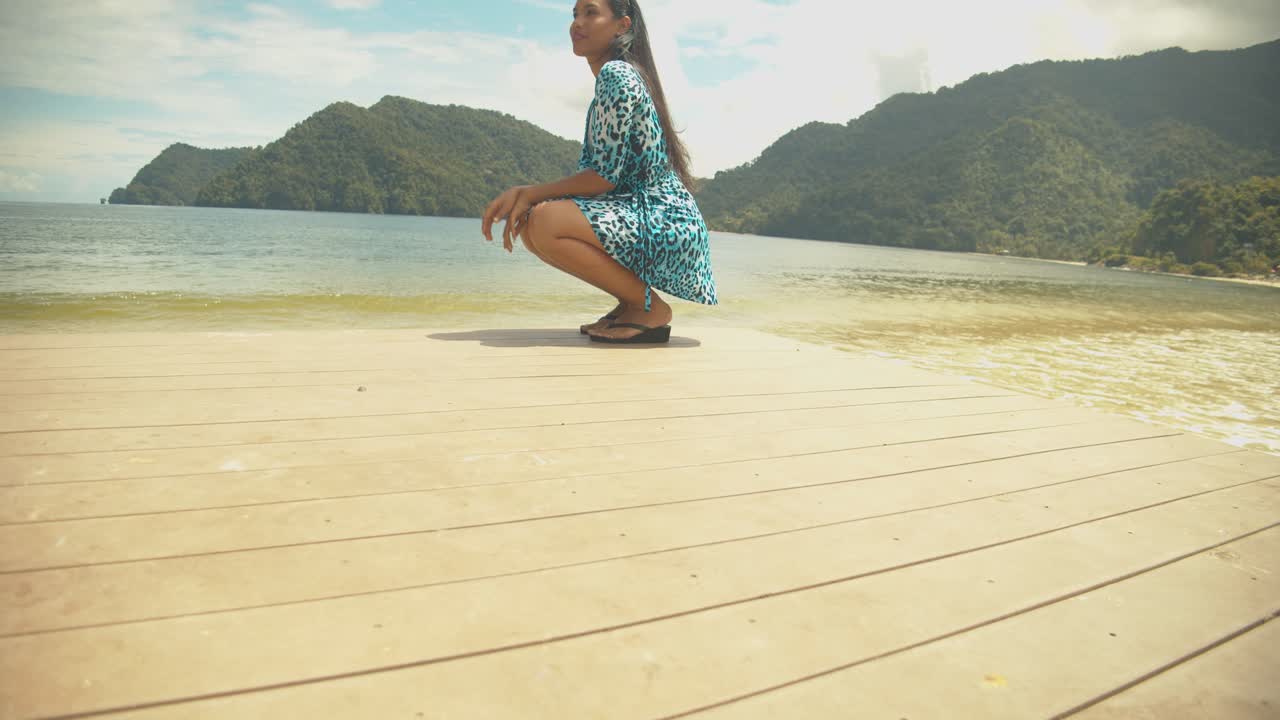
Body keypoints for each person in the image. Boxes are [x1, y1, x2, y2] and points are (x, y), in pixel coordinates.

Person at [480, 0, 717, 344]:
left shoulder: (616, 74)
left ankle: (650, 309)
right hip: (648, 216)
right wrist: (530, 201)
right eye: (575, 14)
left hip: (663, 220)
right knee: (534, 224)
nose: (578, 23)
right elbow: (602, 179)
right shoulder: (618, 77)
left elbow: (601, 178)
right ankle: (632, 305)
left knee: (544, 221)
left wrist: (529, 193)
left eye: (590, 12)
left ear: (622, 25)